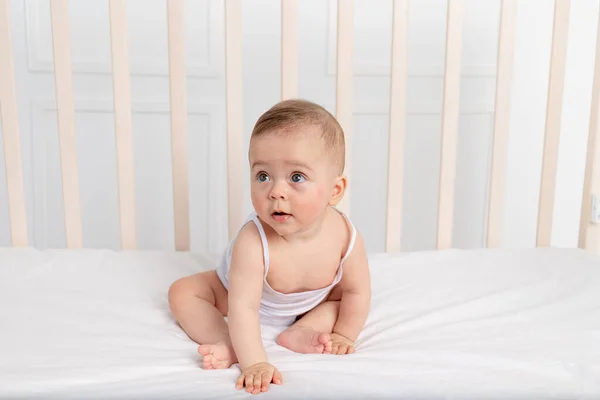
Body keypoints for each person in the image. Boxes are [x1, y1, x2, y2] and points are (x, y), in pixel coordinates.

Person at [168, 99, 371, 395]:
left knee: (343, 303)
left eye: (296, 177)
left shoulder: (345, 235)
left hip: (310, 305)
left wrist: (343, 334)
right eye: (262, 176)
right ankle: (227, 342)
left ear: (335, 190)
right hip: (238, 296)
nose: (275, 191)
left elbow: (357, 291)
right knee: (183, 293)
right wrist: (254, 363)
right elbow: (244, 307)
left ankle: (303, 331)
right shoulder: (253, 241)